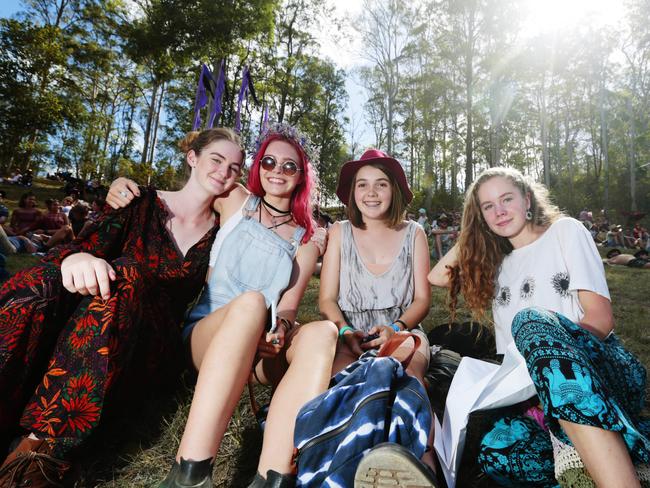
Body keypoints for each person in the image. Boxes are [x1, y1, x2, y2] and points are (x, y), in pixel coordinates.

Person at [0, 127, 245, 486]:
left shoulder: (225, 230)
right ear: (192, 158)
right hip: (101, 315)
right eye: (216, 160)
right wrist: (77, 258)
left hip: (153, 346)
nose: (224, 172)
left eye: (234, 168)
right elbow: (83, 246)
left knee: (128, 272)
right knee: (40, 287)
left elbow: (266, 199)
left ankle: (42, 449)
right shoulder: (138, 200)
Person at [108, 123, 336, 488]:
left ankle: (272, 478)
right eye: (269, 162)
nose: (277, 171)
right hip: (206, 336)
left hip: (257, 351)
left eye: (289, 166)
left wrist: (281, 331)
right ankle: (190, 474)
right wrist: (124, 184)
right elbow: (184, 193)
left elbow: (289, 308)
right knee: (250, 304)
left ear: (301, 175)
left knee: (323, 332)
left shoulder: (305, 240)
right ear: (258, 166)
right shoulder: (235, 199)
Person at [429, 167, 649, 487]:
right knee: (495, 449)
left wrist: (545, 360)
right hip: (535, 401)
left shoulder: (565, 231)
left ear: (527, 199)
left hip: (598, 371)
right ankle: (609, 457)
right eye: (488, 206)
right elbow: (437, 277)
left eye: (507, 199)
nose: (500, 211)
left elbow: (601, 320)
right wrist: (473, 229)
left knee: (531, 323)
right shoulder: (498, 264)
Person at [317, 148, 438, 486]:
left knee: (408, 376)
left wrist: (396, 329)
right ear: (352, 193)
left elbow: (422, 300)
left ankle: (423, 465)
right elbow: (326, 298)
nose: (371, 193)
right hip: (350, 330)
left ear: (394, 189)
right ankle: (343, 464)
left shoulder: (414, 232)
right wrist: (344, 331)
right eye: (362, 185)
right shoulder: (340, 232)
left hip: (402, 326)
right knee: (339, 384)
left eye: (381, 184)